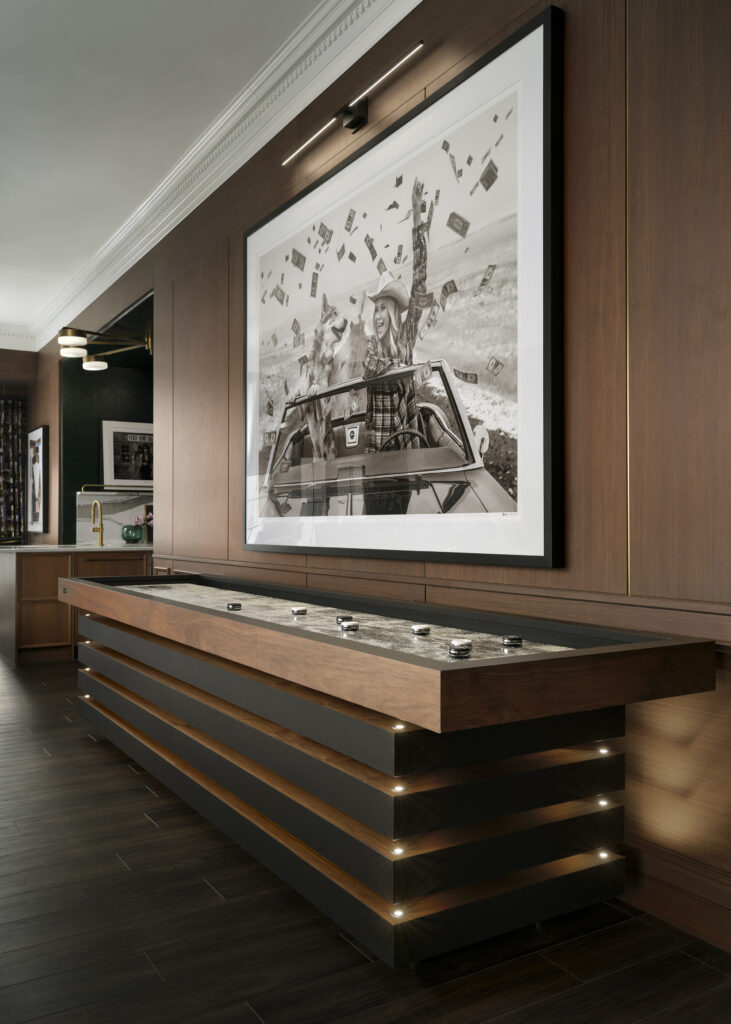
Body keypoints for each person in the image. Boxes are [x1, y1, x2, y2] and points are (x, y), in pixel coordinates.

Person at [362, 178, 429, 513]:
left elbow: (420, 279)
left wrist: (417, 216)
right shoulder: (372, 348)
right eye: (374, 308)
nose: (376, 314)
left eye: (382, 307)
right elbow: (370, 369)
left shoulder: (405, 342)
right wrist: (402, 370)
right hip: (374, 464)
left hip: (402, 459)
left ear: (393, 311)